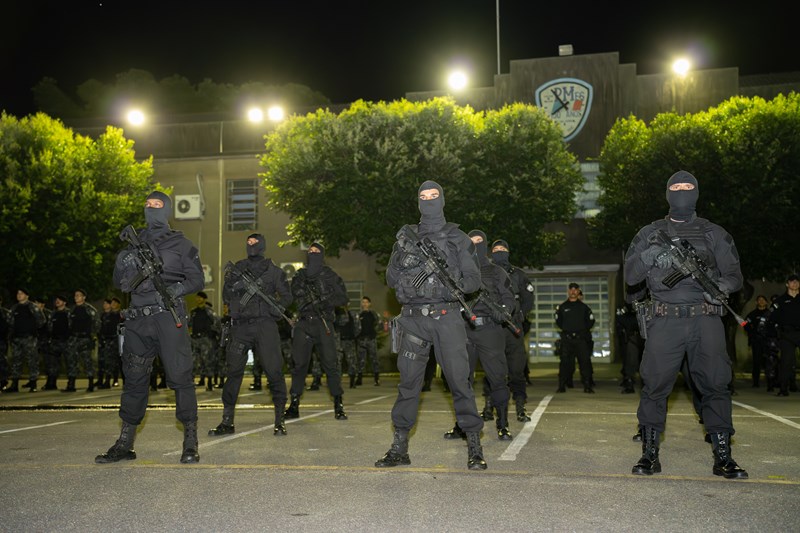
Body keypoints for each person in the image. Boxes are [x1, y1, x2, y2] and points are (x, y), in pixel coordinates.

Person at [624, 170, 747, 479]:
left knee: (716, 385)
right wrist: (650, 257)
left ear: (696, 192)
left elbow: (735, 274)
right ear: (667, 193)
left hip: (706, 319)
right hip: (665, 320)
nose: (681, 192)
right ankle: (649, 455)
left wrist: (718, 286)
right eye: (676, 187)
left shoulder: (713, 233)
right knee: (654, 386)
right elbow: (630, 276)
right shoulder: (649, 232)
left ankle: (723, 457)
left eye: (687, 187)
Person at [375, 180, 486, 470]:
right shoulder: (405, 237)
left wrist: (456, 285)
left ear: (442, 200)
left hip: (447, 317)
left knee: (459, 382)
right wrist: (403, 269)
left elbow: (474, 279)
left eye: (433, 196)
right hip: (413, 319)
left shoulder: (456, 237)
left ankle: (474, 446)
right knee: (408, 384)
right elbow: (390, 277)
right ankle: (399, 448)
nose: (428, 201)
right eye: (423, 197)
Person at [96, 190, 204, 464]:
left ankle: (190, 441)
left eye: (157, 205)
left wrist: (175, 290)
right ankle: (125, 443)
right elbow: (120, 284)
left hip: (169, 316)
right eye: (147, 205)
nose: (151, 208)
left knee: (180, 378)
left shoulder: (181, 244)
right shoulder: (132, 244)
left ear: (166, 210)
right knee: (134, 381)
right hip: (137, 321)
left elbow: (197, 280)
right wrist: (123, 263)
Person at [208, 233, 293, 437]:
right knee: (234, 372)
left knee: (274, 372)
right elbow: (226, 296)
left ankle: (280, 420)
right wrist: (235, 285)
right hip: (241, 327)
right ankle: (227, 421)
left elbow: (288, 296)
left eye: (255, 243)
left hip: (266, 326)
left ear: (262, 245)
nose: (251, 246)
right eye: (248, 243)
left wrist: (277, 308)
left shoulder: (274, 272)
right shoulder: (238, 268)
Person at [443, 229, 515, 441]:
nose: (475, 246)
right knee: (461, 380)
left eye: (479, 242)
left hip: (490, 331)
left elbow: (510, 298)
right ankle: (461, 424)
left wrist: (503, 311)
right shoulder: (458, 272)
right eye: (471, 242)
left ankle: (502, 424)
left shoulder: (497, 272)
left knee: (497, 379)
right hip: (464, 330)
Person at [284, 242, 349, 421]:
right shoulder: (300, 276)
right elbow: (292, 296)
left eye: (317, 251)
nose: (313, 253)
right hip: (304, 323)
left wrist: (325, 301)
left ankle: (338, 404)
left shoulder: (329, 275)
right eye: (310, 251)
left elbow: (343, 297)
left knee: (330, 365)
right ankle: (294, 404)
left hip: (323, 323)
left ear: (322, 254)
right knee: (299, 366)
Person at [490, 238, 535, 421]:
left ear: (508, 252)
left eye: (502, 249)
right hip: (493, 327)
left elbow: (528, 298)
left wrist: (521, 314)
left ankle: (520, 406)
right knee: (492, 369)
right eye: (496, 249)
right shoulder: (487, 272)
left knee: (517, 369)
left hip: (514, 326)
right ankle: (489, 407)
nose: (499, 251)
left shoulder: (519, 274)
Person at [554, 283, 595, 393]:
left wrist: (581, 332)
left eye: (575, 290)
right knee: (564, 363)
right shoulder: (562, 307)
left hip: (580, 339)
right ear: (568, 291)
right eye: (571, 290)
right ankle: (561, 385)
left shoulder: (584, 308)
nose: (573, 292)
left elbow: (590, 322)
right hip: (567, 340)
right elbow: (559, 322)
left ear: (578, 291)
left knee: (584, 362)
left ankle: (587, 385)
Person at [3, 288, 46, 393]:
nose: (19, 295)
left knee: (32, 361)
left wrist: (31, 329)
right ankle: (14, 384)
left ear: (27, 296)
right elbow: (10, 321)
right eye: (18, 293)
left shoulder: (32, 307)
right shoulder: (14, 308)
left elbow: (41, 320)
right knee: (16, 361)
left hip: (29, 338)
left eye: (21, 293)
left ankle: (33, 383)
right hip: (17, 338)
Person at [767, 274, 800, 397]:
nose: (795, 283)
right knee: (786, 362)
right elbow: (771, 319)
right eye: (792, 281)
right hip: (787, 334)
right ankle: (783, 389)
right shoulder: (780, 301)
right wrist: (774, 334)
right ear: (787, 284)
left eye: (797, 281)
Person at [63, 289, 100, 392]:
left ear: (84, 297)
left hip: (85, 339)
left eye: (79, 295)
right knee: (72, 362)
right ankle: (71, 384)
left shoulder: (89, 309)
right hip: (74, 338)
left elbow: (97, 323)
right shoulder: (72, 310)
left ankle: (91, 384)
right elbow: (69, 324)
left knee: (87, 361)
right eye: (75, 295)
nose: (76, 297)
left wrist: (91, 335)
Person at [188, 291, 220, 391]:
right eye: (197, 298)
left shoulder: (209, 311)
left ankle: (209, 383)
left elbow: (216, 322)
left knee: (208, 361)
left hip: (205, 340)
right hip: (195, 339)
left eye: (200, 298)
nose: (198, 299)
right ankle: (191, 382)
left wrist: (213, 334)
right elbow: (189, 324)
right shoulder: (193, 312)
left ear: (204, 299)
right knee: (193, 361)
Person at [616, 303, 644, 394]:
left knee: (647, 363)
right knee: (631, 362)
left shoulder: (647, 302)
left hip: (645, 337)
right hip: (632, 337)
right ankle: (629, 383)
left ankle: (647, 385)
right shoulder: (626, 306)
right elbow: (620, 319)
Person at [43, 295, 70, 390]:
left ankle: (71, 383)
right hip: (55, 341)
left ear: (65, 302)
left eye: (60, 300)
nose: (57, 301)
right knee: (52, 364)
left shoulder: (69, 313)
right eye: (56, 300)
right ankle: (51, 383)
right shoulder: (53, 313)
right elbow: (49, 327)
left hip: (66, 341)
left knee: (69, 362)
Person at [744, 295, 771, 388]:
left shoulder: (770, 313)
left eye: (763, 300)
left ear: (767, 302)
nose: (761, 301)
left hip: (769, 341)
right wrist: (751, 333)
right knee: (757, 362)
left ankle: (771, 383)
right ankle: (756, 382)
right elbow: (744, 323)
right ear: (756, 302)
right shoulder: (752, 314)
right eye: (759, 300)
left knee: (770, 361)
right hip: (757, 341)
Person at [334, 304, 361, 389]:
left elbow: (358, 328)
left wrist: (352, 336)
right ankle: (337, 383)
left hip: (348, 341)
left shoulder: (352, 314)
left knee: (351, 361)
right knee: (338, 362)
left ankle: (352, 382)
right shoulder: (334, 314)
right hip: (338, 341)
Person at [356, 296, 381, 386]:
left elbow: (379, 324)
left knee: (374, 360)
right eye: (363, 302)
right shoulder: (358, 315)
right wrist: (357, 336)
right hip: (361, 340)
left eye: (366, 302)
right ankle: (359, 379)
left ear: (369, 304)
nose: (365, 304)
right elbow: (355, 327)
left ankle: (376, 379)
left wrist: (374, 334)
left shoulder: (374, 314)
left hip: (371, 340)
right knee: (361, 360)